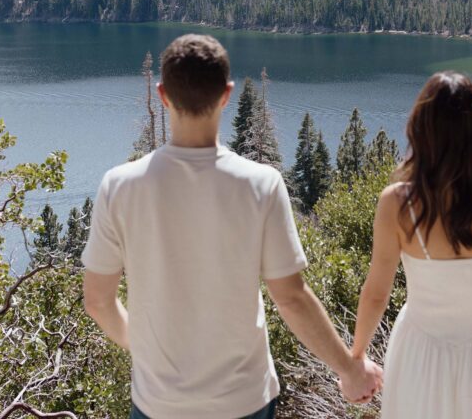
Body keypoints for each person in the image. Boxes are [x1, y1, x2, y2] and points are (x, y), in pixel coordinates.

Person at [82, 34, 382, 419]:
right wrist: (349, 369)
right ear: (226, 94)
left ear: (162, 94)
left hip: (157, 404)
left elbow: (98, 301)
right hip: (244, 400)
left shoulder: (120, 186)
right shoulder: (260, 184)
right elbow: (290, 298)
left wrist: (142, 349)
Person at [349, 71, 472, 418]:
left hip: (419, 349)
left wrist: (356, 358)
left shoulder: (397, 204)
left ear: (420, 130)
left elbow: (376, 293)